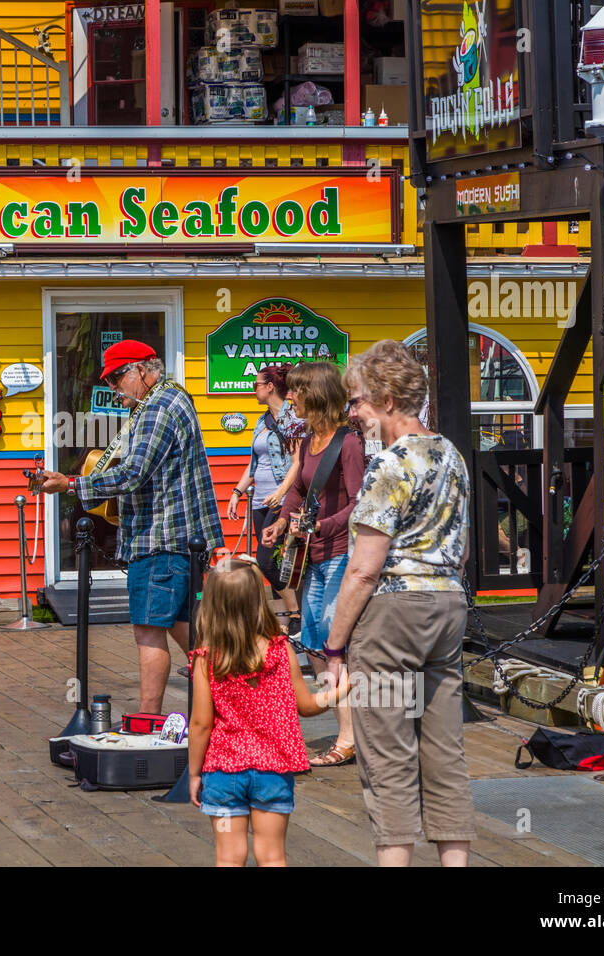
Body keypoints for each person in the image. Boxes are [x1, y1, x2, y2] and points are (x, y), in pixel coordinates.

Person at [322, 339, 475, 868]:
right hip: (448, 607)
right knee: (444, 753)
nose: (354, 412)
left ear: (387, 399)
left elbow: (364, 567)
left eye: (359, 400)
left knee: (387, 755)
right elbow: (463, 547)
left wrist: (334, 647)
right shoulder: (450, 454)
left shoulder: (389, 463)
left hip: (392, 613)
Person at [39, 340, 223, 714]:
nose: (113, 387)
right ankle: (229, 706)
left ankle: (148, 724)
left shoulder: (156, 407)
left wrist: (72, 485)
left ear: (141, 369)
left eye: (117, 377)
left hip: (160, 539)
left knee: (148, 631)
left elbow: (135, 473)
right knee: (186, 631)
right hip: (178, 539)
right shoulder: (170, 398)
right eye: (107, 380)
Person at [187, 558, 348, 867]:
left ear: (212, 604)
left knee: (229, 858)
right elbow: (308, 706)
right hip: (273, 772)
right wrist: (341, 690)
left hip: (223, 774)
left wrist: (194, 773)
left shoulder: (207, 659)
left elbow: (200, 724)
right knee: (272, 856)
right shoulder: (280, 649)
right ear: (258, 602)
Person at [260, 361, 364, 767]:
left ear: (316, 395)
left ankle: (349, 737)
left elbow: (359, 503)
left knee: (332, 643)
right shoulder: (307, 439)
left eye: (297, 391)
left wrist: (322, 524)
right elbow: (299, 489)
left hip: (340, 553)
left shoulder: (349, 443)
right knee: (319, 642)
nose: (291, 397)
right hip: (314, 554)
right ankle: (349, 732)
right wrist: (283, 521)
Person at [227, 363, 306, 624]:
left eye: (256, 385)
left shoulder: (291, 419)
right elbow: (254, 464)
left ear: (270, 387)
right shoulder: (261, 421)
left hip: (281, 501)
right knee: (273, 564)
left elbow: (298, 462)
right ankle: (285, 626)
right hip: (260, 500)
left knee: (266, 561)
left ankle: (296, 613)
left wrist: (282, 492)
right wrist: (238, 492)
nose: (254, 390)